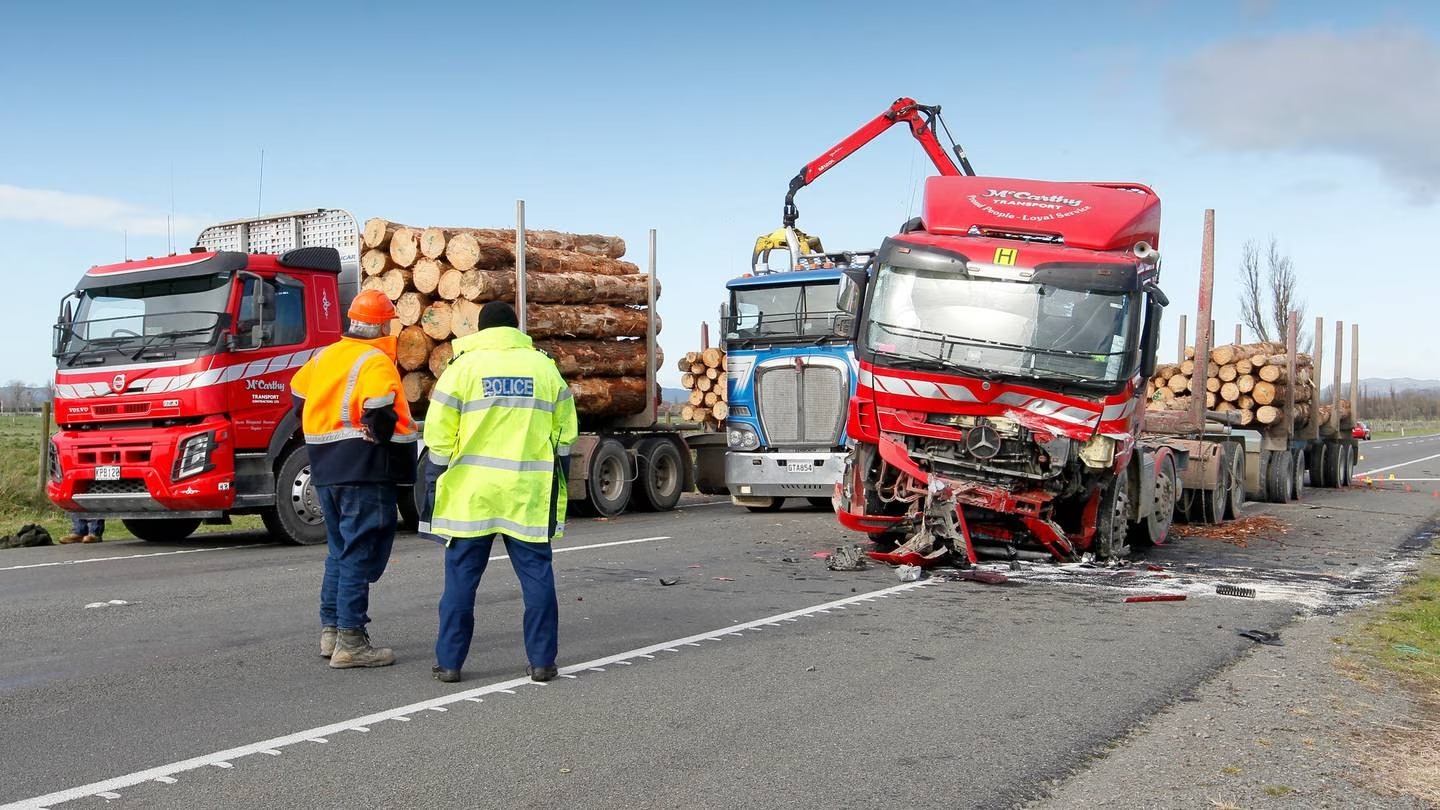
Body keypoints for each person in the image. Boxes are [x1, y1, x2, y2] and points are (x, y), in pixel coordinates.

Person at [422, 301, 578, 684]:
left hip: (470, 494)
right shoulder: (544, 368)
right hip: (526, 492)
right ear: (515, 329)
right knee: (536, 577)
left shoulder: (462, 369)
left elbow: (438, 438)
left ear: (480, 330)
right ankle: (542, 662)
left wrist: (432, 482)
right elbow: (565, 436)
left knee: (460, 581)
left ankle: (450, 663)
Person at [290, 289, 418, 669]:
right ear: (382, 324)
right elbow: (378, 408)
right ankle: (352, 642)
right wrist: (375, 436)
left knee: (340, 551)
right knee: (361, 553)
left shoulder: (325, 355)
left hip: (325, 466)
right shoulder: (376, 360)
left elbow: (298, 396)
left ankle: (331, 633)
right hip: (364, 468)